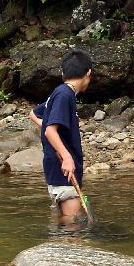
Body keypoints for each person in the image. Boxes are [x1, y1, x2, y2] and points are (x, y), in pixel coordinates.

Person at [29, 49, 93, 223]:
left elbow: (34, 114)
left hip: (58, 167)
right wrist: (66, 157)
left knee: (65, 220)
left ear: (64, 73)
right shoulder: (65, 95)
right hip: (63, 168)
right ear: (88, 73)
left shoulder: (60, 93)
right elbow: (51, 130)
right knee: (73, 224)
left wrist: (48, 131)